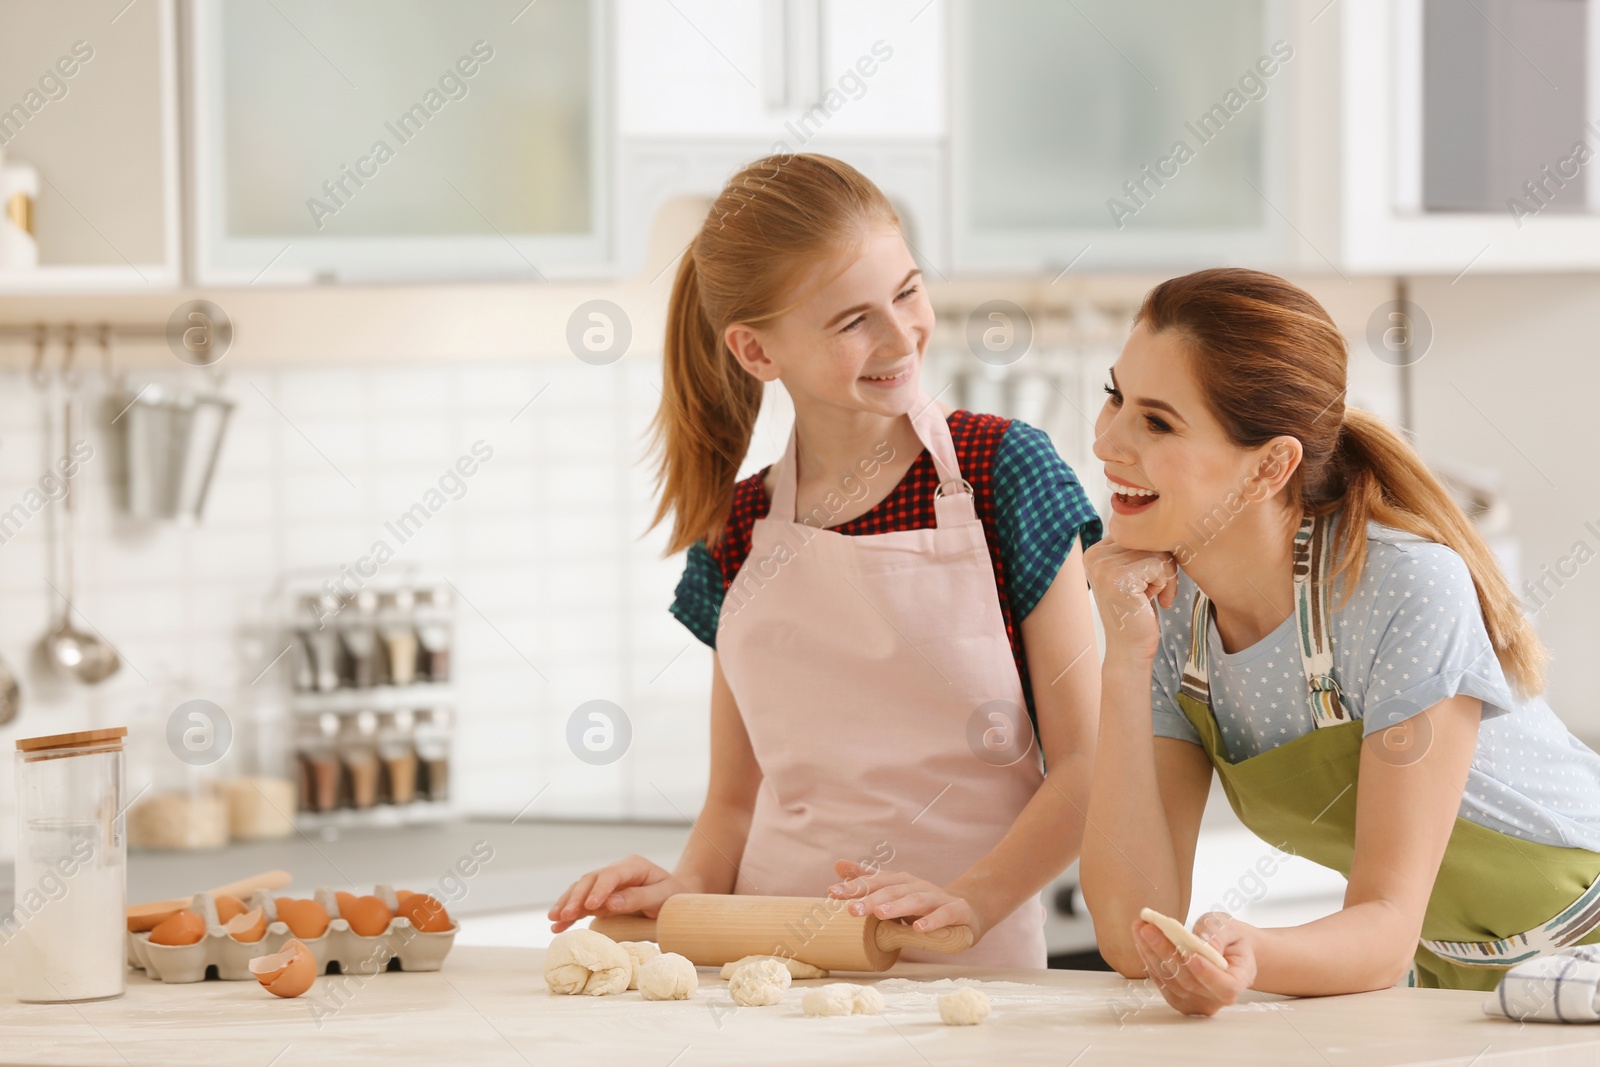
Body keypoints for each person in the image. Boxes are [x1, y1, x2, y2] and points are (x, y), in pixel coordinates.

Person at [547, 153, 1103, 966]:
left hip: (972, 975)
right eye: (852, 321)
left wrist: (969, 903)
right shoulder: (737, 527)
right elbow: (733, 804)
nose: (899, 335)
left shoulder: (1004, 475)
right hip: (770, 972)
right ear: (755, 351)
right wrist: (686, 889)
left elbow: (1092, 763)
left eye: (908, 292)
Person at [1080, 267, 1600, 1009]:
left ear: (1270, 465)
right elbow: (1132, 931)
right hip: (1454, 981)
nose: (1106, 440)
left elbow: (1385, 928)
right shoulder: (1171, 614)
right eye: (1114, 397)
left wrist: (1256, 953)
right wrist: (1123, 661)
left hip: (1585, 958)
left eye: (1156, 421)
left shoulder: (1403, 588)